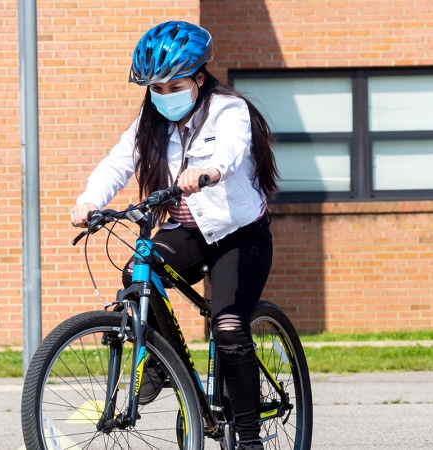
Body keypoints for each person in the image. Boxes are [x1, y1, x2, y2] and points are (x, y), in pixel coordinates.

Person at [70, 21, 279, 450]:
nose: (164, 96)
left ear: (199, 78)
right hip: (187, 231)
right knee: (137, 271)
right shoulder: (150, 122)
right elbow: (117, 162)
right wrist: (90, 200)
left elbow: (233, 150)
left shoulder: (228, 110)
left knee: (228, 326)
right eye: (155, 88)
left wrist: (210, 170)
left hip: (239, 235)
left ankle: (250, 436)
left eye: (173, 86)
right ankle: (162, 365)